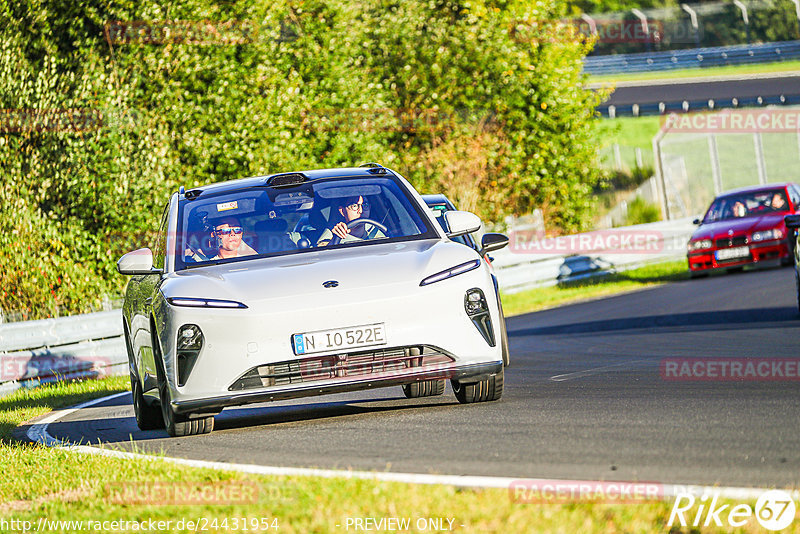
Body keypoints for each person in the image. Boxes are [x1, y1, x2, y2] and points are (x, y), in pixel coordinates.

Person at [317, 195, 386, 246]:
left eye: (365, 205)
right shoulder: (332, 235)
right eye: (354, 206)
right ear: (342, 211)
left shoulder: (375, 230)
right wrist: (334, 240)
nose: (361, 211)